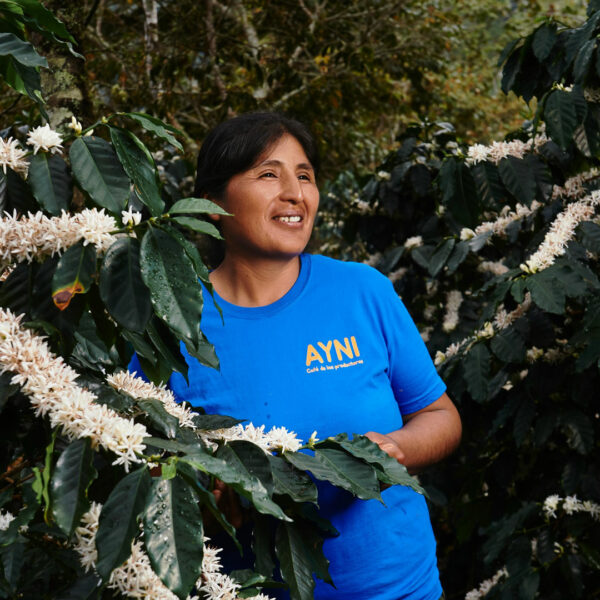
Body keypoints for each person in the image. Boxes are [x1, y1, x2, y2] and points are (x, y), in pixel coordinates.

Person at [133, 112, 461, 600]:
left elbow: (440, 416)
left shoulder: (362, 291)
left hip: (402, 590)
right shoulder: (169, 325)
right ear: (212, 202)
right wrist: (200, 497)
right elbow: (143, 468)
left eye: (304, 175)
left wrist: (397, 449)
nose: (296, 193)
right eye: (269, 174)